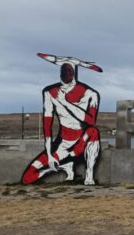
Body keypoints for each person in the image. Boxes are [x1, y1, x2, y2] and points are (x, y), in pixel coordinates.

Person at [22, 57, 101, 185]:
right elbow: (47, 123)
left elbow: (91, 121)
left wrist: (65, 102)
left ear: (74, 72)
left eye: (69, 71)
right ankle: (63, 166)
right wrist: (49, 154)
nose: (65, 74)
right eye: (63, 71)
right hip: (63, 145)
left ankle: (89, 175)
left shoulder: (90, 94)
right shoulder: (50, 92)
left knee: (93, 132)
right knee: (27, 177)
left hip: (82, 139)